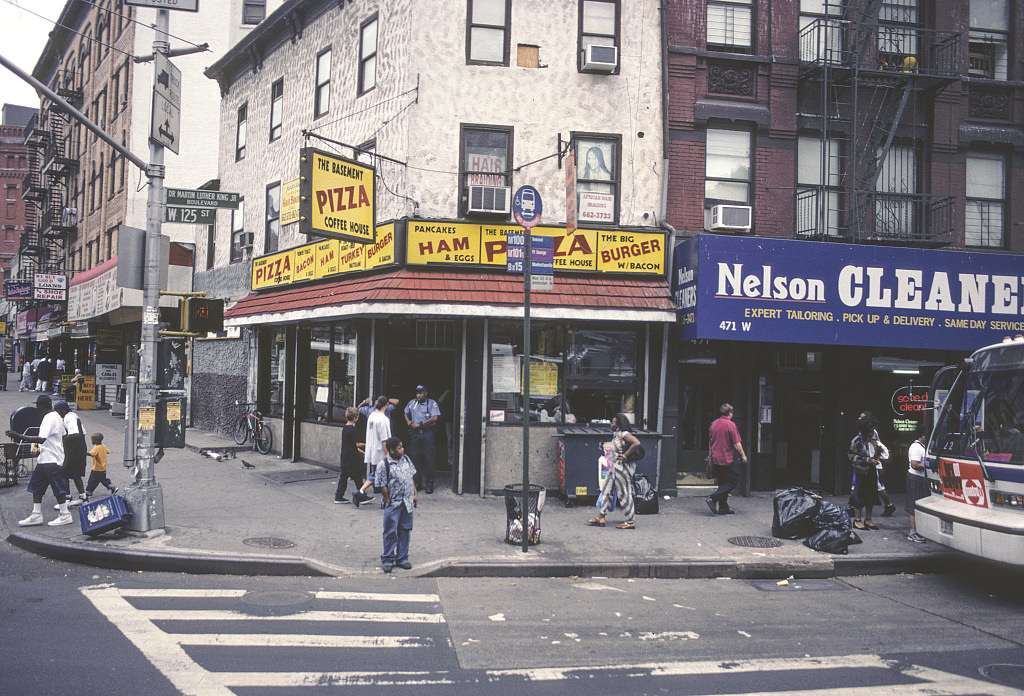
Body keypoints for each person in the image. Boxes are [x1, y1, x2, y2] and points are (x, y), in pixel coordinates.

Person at [7, 394, 72, 526]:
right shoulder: (57, 417)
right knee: (36, 486)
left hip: (51, 459)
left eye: (38, 406)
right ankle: (36, 514)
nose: (37, 408)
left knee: (57, 487)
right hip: (46, 458)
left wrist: (18, 435)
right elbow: (64, 436)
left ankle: (65, 514)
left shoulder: (49, 418)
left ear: (42, 406)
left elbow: (41, 439)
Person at [587, 412, 642, 529]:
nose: (610, 424)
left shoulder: (624, 434)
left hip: (622, 469)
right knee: (607, 491)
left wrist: (625, 455)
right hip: (614, 468)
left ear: (618, 425)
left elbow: (636, 443)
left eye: (612, 422)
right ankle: (601, 516)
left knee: (624, 494)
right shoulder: (616, 435)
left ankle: (630, 521)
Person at [376, 436, 418, 573]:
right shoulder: (384, 465)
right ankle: (388, 559)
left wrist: (415, 494)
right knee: (390, 532)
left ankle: (402, 558)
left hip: (407, 502)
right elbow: (382, 485)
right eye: (399, 448)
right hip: (394, 503)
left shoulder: (406, 460)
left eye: (402, 446)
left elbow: (410, 478)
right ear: (392, 450)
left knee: (405, 530)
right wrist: (388, 501)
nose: (402, 449)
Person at [706, 403, 747, 515]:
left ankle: (723, 507)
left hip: (715, 458)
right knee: (733, 480)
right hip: (726, 458)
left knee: (722, 482)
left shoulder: (714, 424)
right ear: (730, 413)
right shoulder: (730, 425)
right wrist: (743, 455)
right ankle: (713, 498)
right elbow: (736, 443)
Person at [849, 412, 887, 531]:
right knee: (859, 495)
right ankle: (857, 520)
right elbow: (851, 456)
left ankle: (868, 519)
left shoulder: (873, 440)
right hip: (861, 471)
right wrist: (866, 460)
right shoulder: (857, 441)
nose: (872, 432)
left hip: (871, 470)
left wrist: (877, 458)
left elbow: (879, 451)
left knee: (871, 494)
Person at [404, 385, 440, 493]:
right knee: (415, 459)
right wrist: (409, 422)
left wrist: (420, 424)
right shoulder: (412, 403)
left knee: (429, 459)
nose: (418, 395)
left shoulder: (431, 403)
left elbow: (435, 417)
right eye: (417, 393)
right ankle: (417, 482)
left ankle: (429, 484)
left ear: (426, 393)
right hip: (415, 435)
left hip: (427, 433)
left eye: (421, 393)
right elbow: (405, 412)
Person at [54, 400, 88, 505]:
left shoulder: (69, 417)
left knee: (64, 473)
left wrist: (61, 440)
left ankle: (67, 498)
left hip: (74, 448)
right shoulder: (72, 415)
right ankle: (83, 497)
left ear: (63, 410)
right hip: (78, 448)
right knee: (75, 474)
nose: (57, 413)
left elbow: (75, 434)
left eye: (58, 411)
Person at [359, 395, 393, 503]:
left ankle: (361, 491)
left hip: (372, 450)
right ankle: (361, 491)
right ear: (387, 405)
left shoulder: (372, 416)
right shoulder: (384, 419)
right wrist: (388, 455)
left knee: (375, 474)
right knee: (384, 477)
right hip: (380, 452)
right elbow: (384, 440)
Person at [334, 407, 370, 506]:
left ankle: (338, 496)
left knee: (344, 477)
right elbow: (356, 444)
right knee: (358, 477)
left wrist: (362, 453)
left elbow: (349, 444)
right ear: (355, 418)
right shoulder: (354, 429)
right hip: (352, 458)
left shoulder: (345, 428)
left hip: (344, 456)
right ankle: (362, 496)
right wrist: (367, 445)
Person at [905, 424, 929, 543]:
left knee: (919, 503)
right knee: (913, 504)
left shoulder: (923, 446)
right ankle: (913, 532)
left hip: (921, 478)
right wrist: (927, 465)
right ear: (922, 435)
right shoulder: (916, 447)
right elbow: (915, 464)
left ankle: (919, 530)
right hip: (915, 477)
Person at [85, 432, 118, 499]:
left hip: (96, 468)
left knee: (92, 480)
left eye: (93, 440)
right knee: (103, 479)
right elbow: (107, 452)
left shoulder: (96, 448)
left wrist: (84, 453)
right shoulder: (103, 446)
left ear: (97, 440)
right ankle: (113, 487)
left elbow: (92, 454)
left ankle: (88, 492)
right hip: (103, 468)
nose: (92, 441)